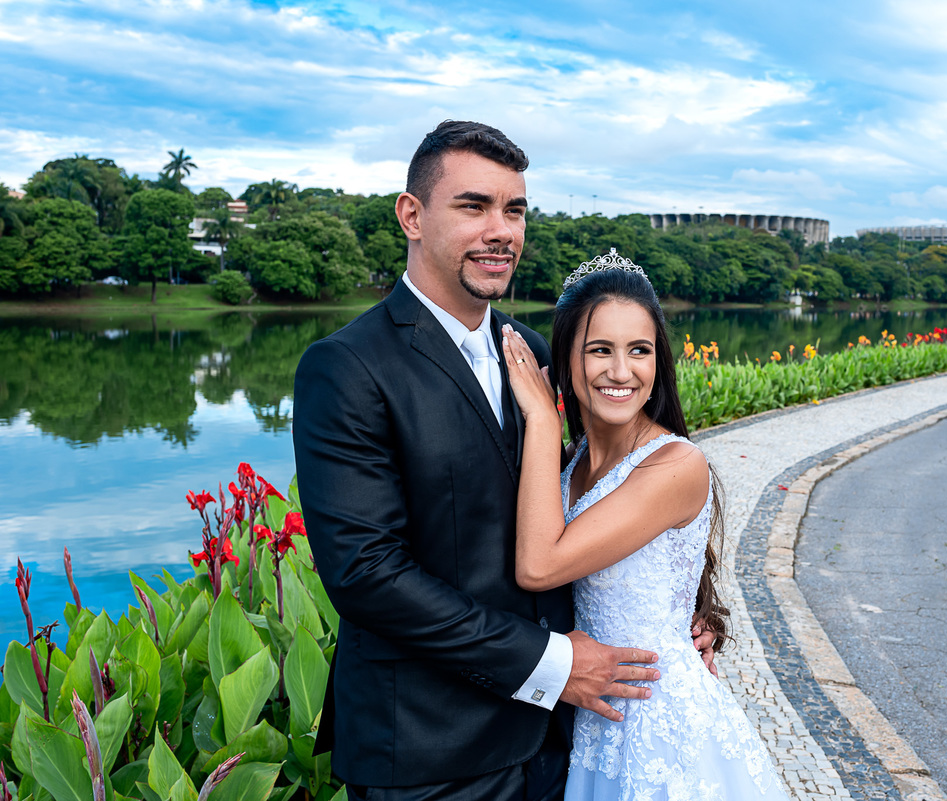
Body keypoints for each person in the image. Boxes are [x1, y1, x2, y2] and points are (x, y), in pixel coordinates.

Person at [292, 122, 715, 801]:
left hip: (562, 736)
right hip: (432, 749)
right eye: (473, 206)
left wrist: (678, 621)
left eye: (514, 210)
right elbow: (366, 572)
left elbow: (594, 500)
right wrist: (552, 662)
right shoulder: (347, 366)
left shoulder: (534, 352)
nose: (501, 231)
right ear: (411, 216)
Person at [499, 251, 791, 800]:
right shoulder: (571, 464)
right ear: (565, 360)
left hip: (659, 723)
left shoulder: (676, 465)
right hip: (591, 718)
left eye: (640, 350)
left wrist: (541, 417)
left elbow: (538, 566)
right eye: (599, 350)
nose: (621, 371)